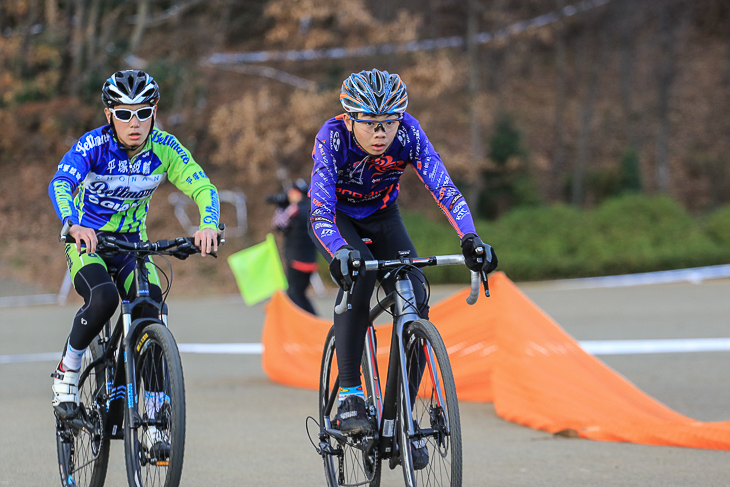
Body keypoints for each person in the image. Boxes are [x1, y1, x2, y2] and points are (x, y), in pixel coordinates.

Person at [308, 69, 498, 444]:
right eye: (370, 124)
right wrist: (340, 251)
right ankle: (350, 394)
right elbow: (319, 211)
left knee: (415, 294)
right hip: (339, 219)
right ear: (349, 118)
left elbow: (443, 187)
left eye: (389, 123)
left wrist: (471, 237)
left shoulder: (409, 132)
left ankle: (404, 421)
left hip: (383, 216)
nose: (381, 133)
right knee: (359, 274)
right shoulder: (331, 137)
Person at [48, 70, 220, 451]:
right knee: (105, 299)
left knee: (150, 310)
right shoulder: (93, 144)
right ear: (109, 114)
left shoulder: (164, 147)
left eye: (143, 112)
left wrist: (208, 225)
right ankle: (69, 370)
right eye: (124, 114)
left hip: (132, 244)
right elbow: (61, 183)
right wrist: (73, 224)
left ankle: (157, 419)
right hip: (88, 241)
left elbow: (201, 185)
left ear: (155, 111)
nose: (135, 123)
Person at [271, 178, 319, 315]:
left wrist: (280, 207)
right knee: (300, 293)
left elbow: (278, 224)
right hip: (310, 259)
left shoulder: (295, 208)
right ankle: (315, 319)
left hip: (296, 259)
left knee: (294, 294)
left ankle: (304, 322)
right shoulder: (312, 207)